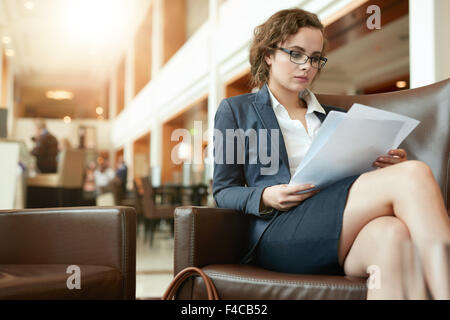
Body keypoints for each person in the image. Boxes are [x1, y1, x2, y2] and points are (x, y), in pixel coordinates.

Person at [212, 8, 450, 300]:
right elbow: (224, 190)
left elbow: (349, 181)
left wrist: (384, 167)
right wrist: (265, 196)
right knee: (414, 173)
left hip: (339, 226)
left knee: (393, 236)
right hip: (280, 229)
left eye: (314, 58)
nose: (307, 67)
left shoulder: (337, 117)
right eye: (296, 54)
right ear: (268, 55)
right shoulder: (236, 110)